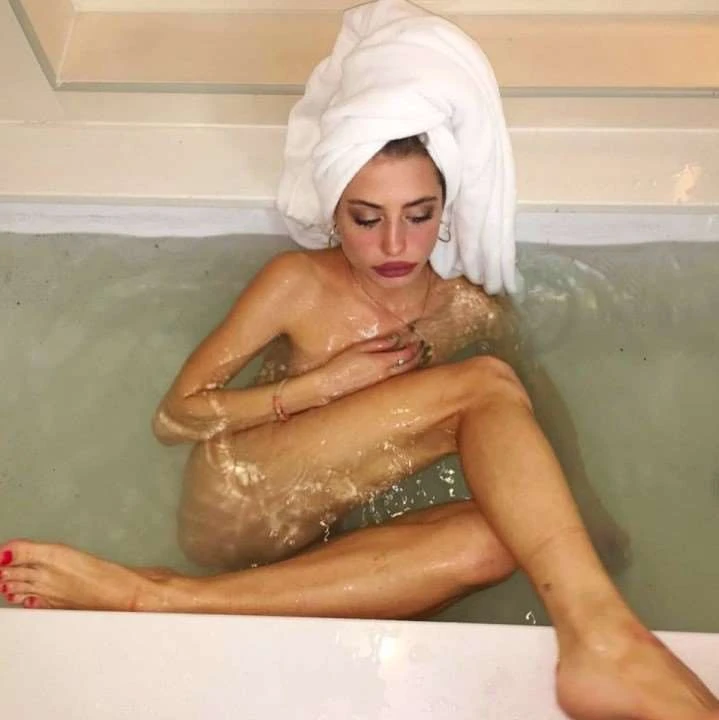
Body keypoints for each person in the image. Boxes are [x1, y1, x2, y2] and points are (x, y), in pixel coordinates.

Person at [1, 137, 718, 720]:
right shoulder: (296, 282)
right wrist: (317, 387)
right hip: (240, 504)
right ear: (333, 216)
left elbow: (532, 409)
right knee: (483, 384)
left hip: (329, 529)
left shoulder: (471, 308)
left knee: (508, 535)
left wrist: (584, 513)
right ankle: (602, 636)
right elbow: (174, 417)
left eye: (419, 214)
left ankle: (163, 598)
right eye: (366, 218)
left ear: (446, 212)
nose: (395, 242)